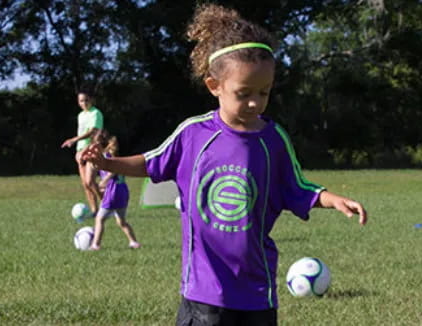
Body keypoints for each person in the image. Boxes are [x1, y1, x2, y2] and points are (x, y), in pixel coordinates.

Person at [83, 4, 367, 325]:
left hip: (257, 290)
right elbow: (150, 163)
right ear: (214, 86)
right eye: (243, 93)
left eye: (264, 92)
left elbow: (298, 187)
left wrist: (333, 200)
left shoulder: (273, 140)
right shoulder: (193, 134)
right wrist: (107, 162)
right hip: (205, 291)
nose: (254, 103)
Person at [88, 130, 140, 251]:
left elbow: (113, 171)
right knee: (121, 222)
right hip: (122, 191)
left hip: (113, 192)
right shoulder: (113, 157)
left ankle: (95, 245)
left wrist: (104, 181)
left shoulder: (106, 157)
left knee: (99, 219)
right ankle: (134, 242)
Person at [61, 90, 104, 217]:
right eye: (81, 101)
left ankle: (108, 206)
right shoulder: (81, 115)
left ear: (91, 100)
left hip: (92, 150)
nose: (84, 103)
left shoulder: (96, 113)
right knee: (85, 184)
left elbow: (93, 132)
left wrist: (74, 139)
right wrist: (79, 150)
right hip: (80, 151)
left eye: (86, 100)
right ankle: (95, 211)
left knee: (90, 181)